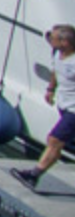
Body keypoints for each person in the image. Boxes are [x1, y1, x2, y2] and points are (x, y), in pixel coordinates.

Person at [14, 24, 75, 188]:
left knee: (54, 140)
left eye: (52, 38)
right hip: (64, 105)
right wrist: (50, 89)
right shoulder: (57, 53)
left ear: (65, 42)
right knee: (57, 141)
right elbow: (55, 71)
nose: (49, 39)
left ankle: (34, 175)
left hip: (73, 111)